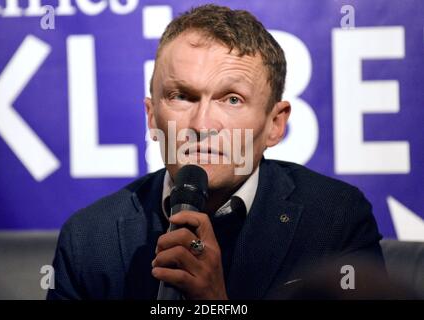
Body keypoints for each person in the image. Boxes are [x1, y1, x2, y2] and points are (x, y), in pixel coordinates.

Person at [47, 4, 387, 300]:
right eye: (181, 96)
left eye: (232, 99)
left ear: (275, 124)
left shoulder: (336, 221)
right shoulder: (90, 238)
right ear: (152, 117)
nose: (203, 123)